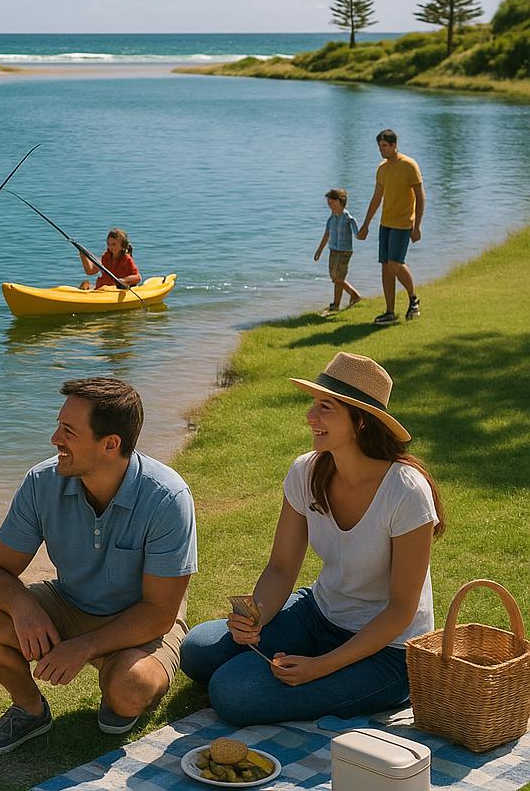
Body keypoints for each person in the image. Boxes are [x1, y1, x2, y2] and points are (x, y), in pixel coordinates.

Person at [179, 352, 444, 728]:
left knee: (233, 692)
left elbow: (401, 610)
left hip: (387, 651)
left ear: (361, 421)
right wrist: (254, 617)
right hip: (320, 614)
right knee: (198, 650)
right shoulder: (306, 471)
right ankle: (298, 670)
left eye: (325, 407)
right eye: (313, 404)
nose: (310, 416)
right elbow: (281, 567)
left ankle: (357, 686)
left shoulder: (406, 492)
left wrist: (320, 667)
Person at [0, 377, 196, 757]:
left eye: (69, 432)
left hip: (142, 623)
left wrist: (84, 647)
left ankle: (117, 680)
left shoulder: (168, 498)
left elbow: (159, 613)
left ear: (110, 444)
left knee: (127, 691)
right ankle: (30, 710)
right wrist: (24, 608)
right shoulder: (41, 483)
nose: (55, 439)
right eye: (59, 427)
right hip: (68, 604)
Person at [356, 130, 425, 325]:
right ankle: (390, 312)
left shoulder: (409, 165)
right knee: (386, 268)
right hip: (385, 223)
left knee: (395, 263)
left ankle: (413, 300)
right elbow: (377, 198)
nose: (381, 150)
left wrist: (417, 226)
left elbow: (420, 197)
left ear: (395, 145)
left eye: (385, 146)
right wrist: (365, 225)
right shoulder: (382, 168)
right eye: (379, 146)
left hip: (403, 223)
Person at [313, 188, 362, 314]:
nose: (329, 204)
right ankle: (340, 302)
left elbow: (357, 233)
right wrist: (319, 250)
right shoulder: (331, 218)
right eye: (328, 202)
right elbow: (326, 234)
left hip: (345, 251)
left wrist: (361, 234)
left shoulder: (347, 217)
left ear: (340, 201)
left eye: (332, 202)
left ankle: (349, 297)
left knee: (339, 277)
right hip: (333, 250)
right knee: (334, 277)